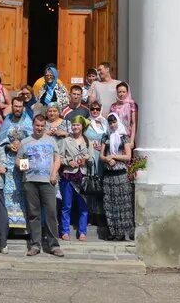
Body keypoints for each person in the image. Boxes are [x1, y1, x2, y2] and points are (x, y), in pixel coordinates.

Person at [17, 113, 64, 257]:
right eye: (37, 125)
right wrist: (25, 166)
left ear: (45, 126)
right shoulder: (25, 142)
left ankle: (54, 245)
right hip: (30, 181)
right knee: (34, 215)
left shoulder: (51, 140)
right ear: (33, 125)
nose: (39, 128)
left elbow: (57, 159)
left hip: (48, 182)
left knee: (51, 213)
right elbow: (18, 160)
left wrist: (54, 173)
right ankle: (35, 245)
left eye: (42, 126)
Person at [0, 95, 33, 229]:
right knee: (9, 191)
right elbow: (0, 139)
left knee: (24, 189)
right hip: (9, 161)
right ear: (12, 107)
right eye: (15, 106)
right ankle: (9, 225)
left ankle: (24, 226)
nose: (17, 109)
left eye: (20, 106)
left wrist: (22, 145)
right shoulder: (7, 120)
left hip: (23, 160)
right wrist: (8, 145)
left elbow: (32, 139)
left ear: (23, 107)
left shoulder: (28, 121)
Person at [56, 117, 91, 241]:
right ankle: (64, 231)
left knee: (83, 205)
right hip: (68, 175)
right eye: (73, 125)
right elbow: (59, 157)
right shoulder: (66, 141)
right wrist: (68, 162)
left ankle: (82, 232)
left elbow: (91, 158)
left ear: (82, 127)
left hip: (82, 175)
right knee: (67, 205)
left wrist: (85, 159)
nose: (75, 127)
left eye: (77, 125)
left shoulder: (87, 140)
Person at [101, 112, 135, 241]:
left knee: (122, 204)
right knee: (110, 204)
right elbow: (102, 156)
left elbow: (128, 156)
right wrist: (107, 159)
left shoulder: (123, 136)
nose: (112, 124)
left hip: (120, 173)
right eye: (110, 122)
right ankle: (114, 232)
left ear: (118, 122)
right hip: (109, 174)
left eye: (114, 122)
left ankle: (124, 232)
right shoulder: (106, 137)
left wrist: (114, 156)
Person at [82, 100, 110, 228]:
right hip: (91, 158)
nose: (95, 111)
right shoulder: (86, 123)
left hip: (102, 159)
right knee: (90, 186)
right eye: (92, 109)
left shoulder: (105, 123)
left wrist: (104, 145)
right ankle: (90, 215)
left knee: (101, 186)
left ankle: (100, 215)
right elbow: (82, 138)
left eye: (97, 109)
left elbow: (111, 139)